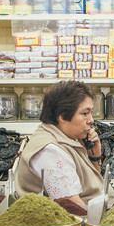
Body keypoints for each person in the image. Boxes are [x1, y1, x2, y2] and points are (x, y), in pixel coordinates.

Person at [14, 80, 104, 208]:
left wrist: (94, 156)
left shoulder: (67, 138)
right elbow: (73, 208)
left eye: (91, 113)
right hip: (62, 225)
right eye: (85, 113)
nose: (91, 120)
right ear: (62, 116)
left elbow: (92, 185)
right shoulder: (51, 151)